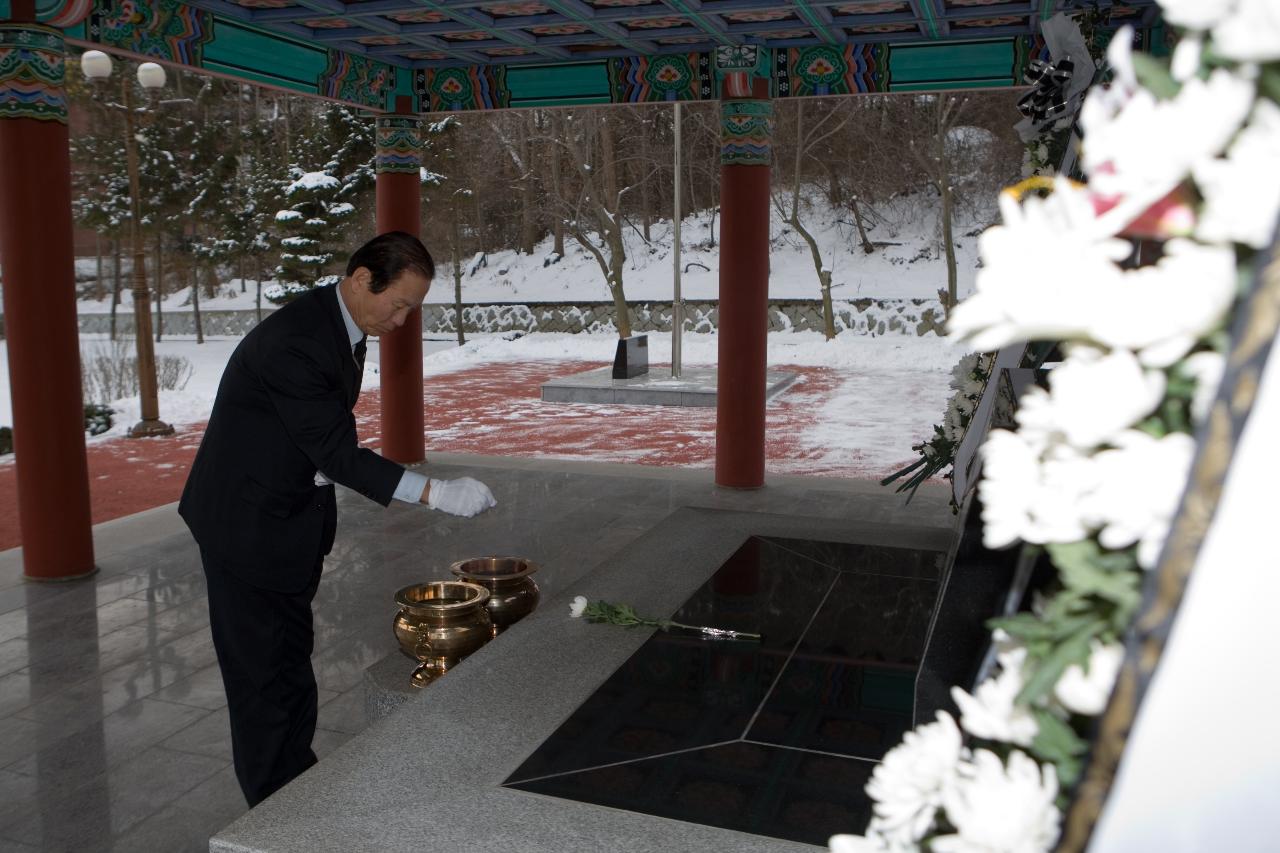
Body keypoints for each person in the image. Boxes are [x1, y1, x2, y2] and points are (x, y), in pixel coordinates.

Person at [179, 231, 496, 807]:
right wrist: (436, 493)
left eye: (411, 309)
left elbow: (314, 434)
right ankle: (274, 812)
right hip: (246, 526)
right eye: (397, 304)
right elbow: (335, 450)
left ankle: (296, 782)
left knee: (290, 661)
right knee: (261, 678)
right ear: (358, 280)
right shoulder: (297, 341)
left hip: (287, 516)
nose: (401, 321)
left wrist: (316, 468)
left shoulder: (339, 325)